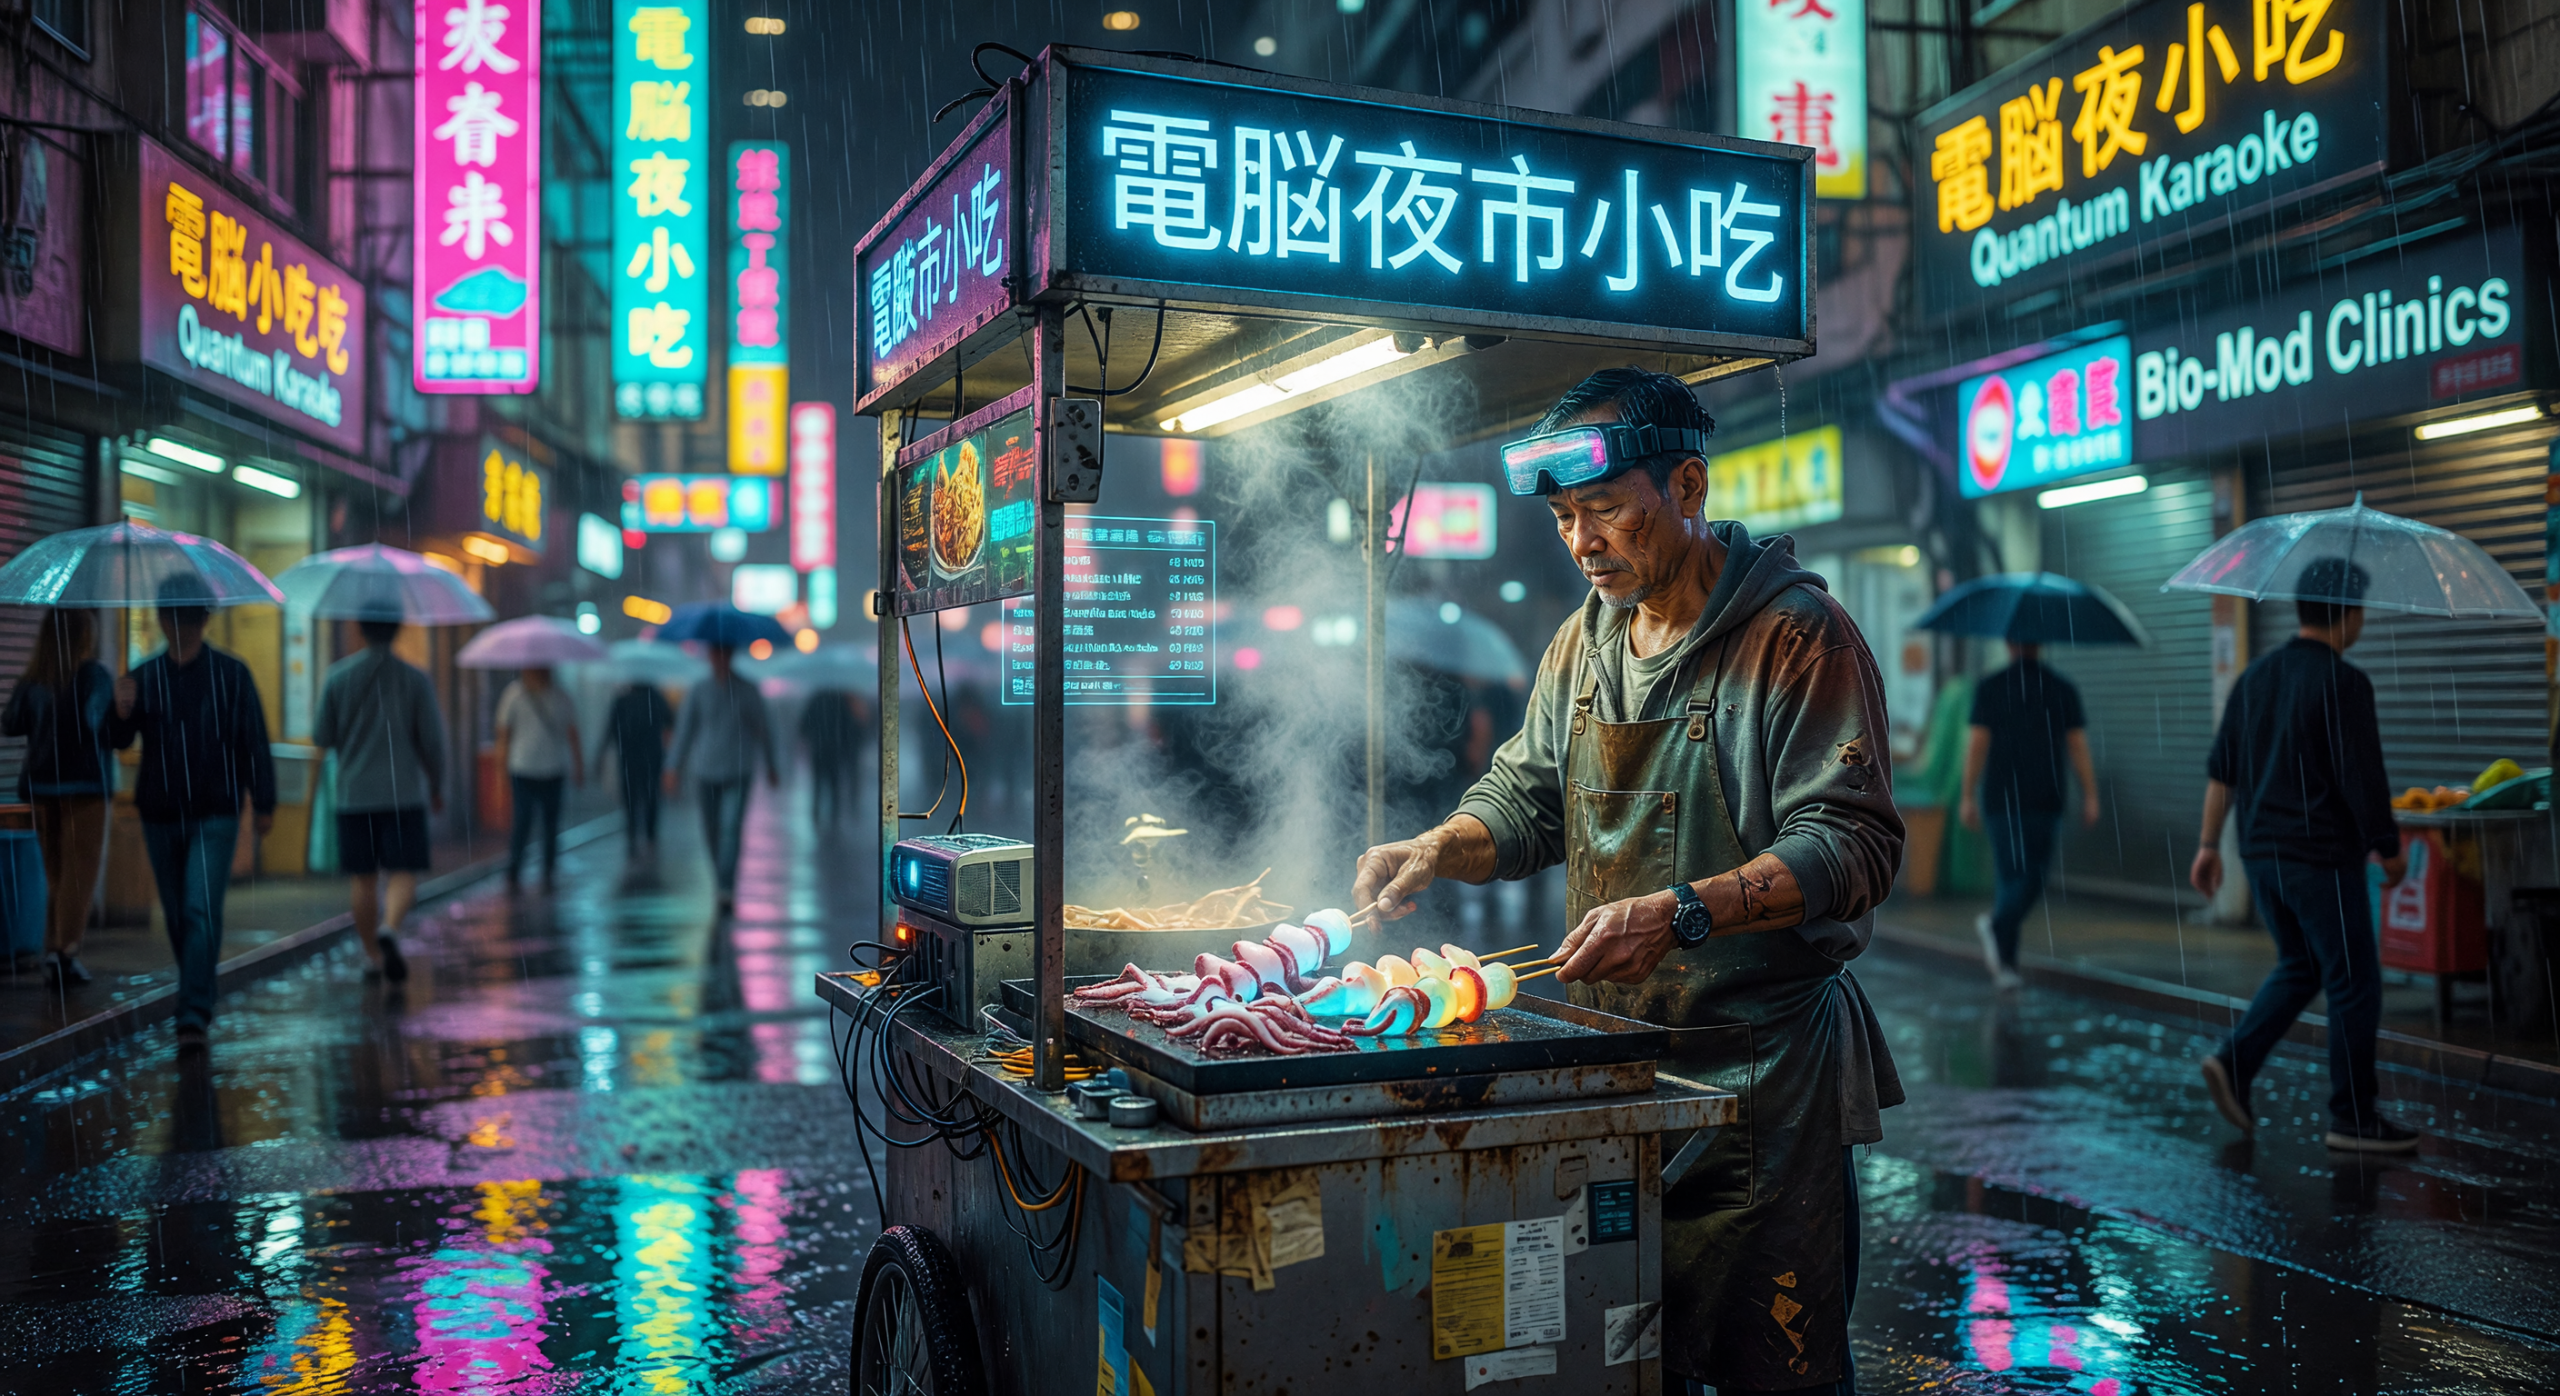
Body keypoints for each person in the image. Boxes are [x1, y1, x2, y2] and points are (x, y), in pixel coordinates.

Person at [1351, 367, 1903, 1395]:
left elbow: (1852, 846)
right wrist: (1440, 843)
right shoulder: (1580, 645)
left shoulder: (1796, 639)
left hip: (1758, 1093)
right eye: (1564, 517)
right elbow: (1523, 801)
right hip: (1610, 1079)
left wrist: (1685, 911)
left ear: (1686, 488)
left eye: (1603, 509)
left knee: (1768, 1372)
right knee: (1615, 1364)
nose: (1581, 541)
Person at [2191, 558, 2417, 1154]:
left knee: (2302, 965)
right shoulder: (2344, 682)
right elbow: (2362, 778)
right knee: (2354, 981)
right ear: (2351, 615)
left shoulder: (2255, 677)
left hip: (2261, 854)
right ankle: (2353, 1117)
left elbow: (2222, 773)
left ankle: (2235, 1062)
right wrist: (2388, 847)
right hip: (2319, 858)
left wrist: (2209, 846)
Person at [107, 577, 276, 1055]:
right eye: (173, 617)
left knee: (201, 908)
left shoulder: (231, 674)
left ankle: (193, 1011)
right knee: (180, 915)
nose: (181, 626)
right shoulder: (142, 677)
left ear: (204, 619)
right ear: (161, 620)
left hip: (215, 811)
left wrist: (263, 801)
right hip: (160, 811)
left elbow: (253, 740)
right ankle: (195, 991)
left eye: (190, 617)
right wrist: (119, 712)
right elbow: (118, 741)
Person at [1958, 640, 2100, 990]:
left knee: (2016, 878)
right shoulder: (2061, 688)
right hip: (2042, 798)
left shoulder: (1992, 686)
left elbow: (1977, 743)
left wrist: (1967, 795)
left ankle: (1998, 934)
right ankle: (2006, 963)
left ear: (2008, 645)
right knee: (2030, 877)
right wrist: (2090, 794)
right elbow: (2077, 745)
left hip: (2005, 799)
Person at [312, 617, 447, 980]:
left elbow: (322, 735)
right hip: (403, 793)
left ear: (361, 629)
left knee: (363, 878)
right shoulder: (415, 679)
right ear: (397, 629)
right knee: (403, 871)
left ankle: (372, 955)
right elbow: (432, 740)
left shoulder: (338, 677)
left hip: (354, 795)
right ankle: (390, 926)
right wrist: (436, 783)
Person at [2, 609, 113, 985]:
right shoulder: (92, 675)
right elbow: (99, 722)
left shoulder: (35, 678)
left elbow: (11, 722)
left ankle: (52, 948)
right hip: (83, 787)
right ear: (84, 635)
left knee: (55, 872)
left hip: (40, 787)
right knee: (78, 874)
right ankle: (65, 951)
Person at [666, 644, 777, 911]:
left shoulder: (747, 690)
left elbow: (763, 728)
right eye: (715, 654)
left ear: (731, 656)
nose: (719, 659)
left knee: (732, 829)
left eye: (724, 654)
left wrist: (772, 764)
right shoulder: (699, 690)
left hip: (739, 770)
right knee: (711, 829)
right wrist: (672, 767)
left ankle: (726, 885)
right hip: (705, 771)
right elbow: (685, 730)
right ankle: (720, 878)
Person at [495, 666, 582, 890]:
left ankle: (548, 870)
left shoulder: (561, 696)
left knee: (550, 823)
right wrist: (501, 771)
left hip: (553, 768)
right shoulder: (513, 694)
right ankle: (515, 869)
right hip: (522, 768)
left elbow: (572, 733)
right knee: (523, 821)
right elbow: (504, 734)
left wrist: (578, 765)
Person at [597, 679, 676, 854]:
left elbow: (609, 729)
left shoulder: (622, 700)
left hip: (629, 758)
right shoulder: (656, 698)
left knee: (632, 799)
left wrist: (600, 756)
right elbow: (670, 723)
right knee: (650, 797)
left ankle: (634, 835)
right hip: (650, 758)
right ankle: (649, 836)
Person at [798, 688, 863, 828]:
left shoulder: (816, 700)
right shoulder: (841, 702)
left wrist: (812, 737)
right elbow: (848, 728)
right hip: (834, 750)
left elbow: (803, 726)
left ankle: (816, 816)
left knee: (818, 785)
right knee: (834, 786)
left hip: (819, 749)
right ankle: (833, 818)